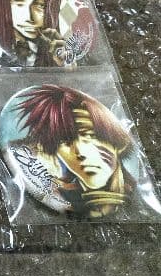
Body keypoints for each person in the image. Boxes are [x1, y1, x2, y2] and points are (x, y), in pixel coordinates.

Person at [8, 84, 134, 217]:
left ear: (118, 142)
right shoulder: (60, 195)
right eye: (64, 142)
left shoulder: (133, 196)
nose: (80, 153)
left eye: (90, 136)